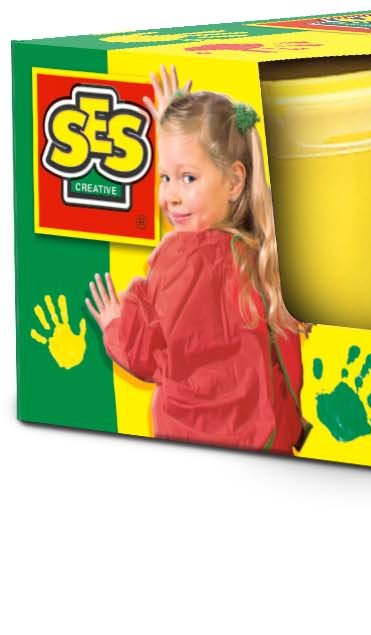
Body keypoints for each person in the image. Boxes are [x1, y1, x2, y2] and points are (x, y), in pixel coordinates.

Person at [86, 66, 308, 454]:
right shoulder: (263, 251)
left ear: (234, 182)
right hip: (269, 443)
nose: (170, 196)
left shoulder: (182, 260)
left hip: (197, 448)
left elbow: (148, 356)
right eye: (164, 178)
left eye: (187, 178)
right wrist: (174, 128)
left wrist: (115, 325)